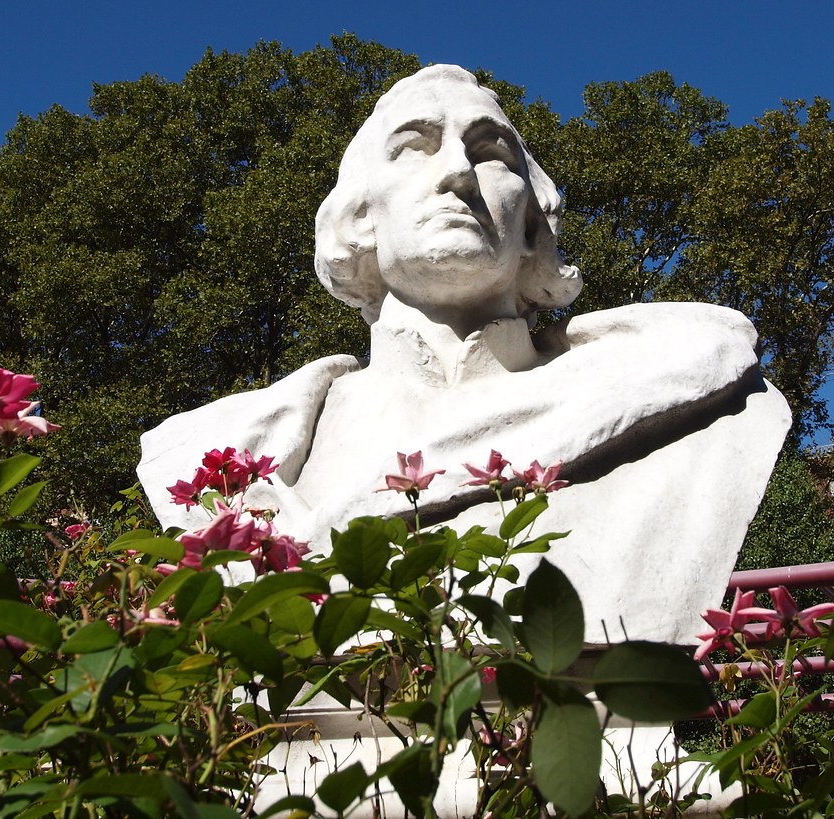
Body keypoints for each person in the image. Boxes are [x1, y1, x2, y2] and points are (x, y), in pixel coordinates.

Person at [138, 65, 789, 644]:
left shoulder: (687, 389)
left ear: (534, 224)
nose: (455, 171)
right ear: (357, 219)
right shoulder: (212, 449)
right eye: (413, 148)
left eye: (490, 152)